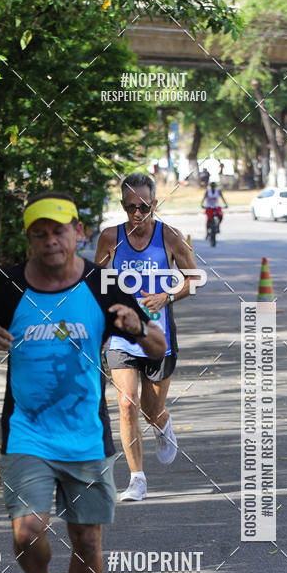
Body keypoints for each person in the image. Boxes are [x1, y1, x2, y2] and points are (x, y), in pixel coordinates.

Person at [0, 192, 166, 573]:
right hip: (26, 432)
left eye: (59, 230)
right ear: (30, 239)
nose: (50, 240)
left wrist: (136, 327)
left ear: (78, 233)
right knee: (27, 533)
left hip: (85, 436)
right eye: (40, 232)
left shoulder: (103, 284)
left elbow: (157, 347)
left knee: (88, 542)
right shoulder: (11, 284)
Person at [94, 172, 198, 502]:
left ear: (154, 204)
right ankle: (137, 479)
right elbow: (94, 286)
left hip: (158, 336)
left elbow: (194, 278)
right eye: (129, 208)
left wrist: (166, 296)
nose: (137, 214)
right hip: (122, 337)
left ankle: (163, 424)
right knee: (126, 404)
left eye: (143, 207)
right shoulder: (110, 238)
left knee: (151, 411)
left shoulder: (170, 237)